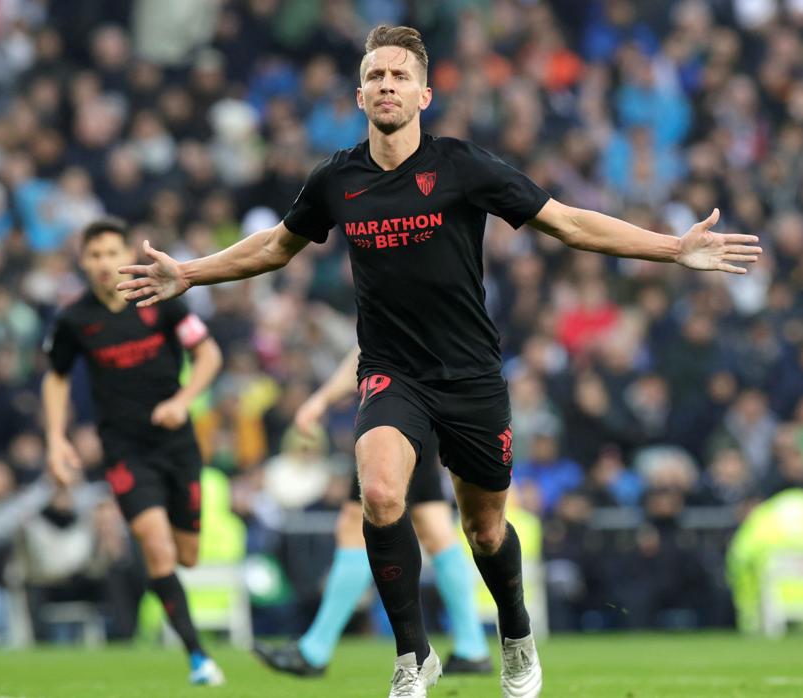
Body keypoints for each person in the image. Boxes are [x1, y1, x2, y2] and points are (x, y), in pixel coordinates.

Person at [118, 25, 759, 698]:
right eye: (376, 76)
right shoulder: (337, 179)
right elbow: (275, 247)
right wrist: (189, 273)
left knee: (484, 530)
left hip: (471, 377)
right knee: (382, 491)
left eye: (399, 77)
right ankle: (412, 656)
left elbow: (568, 222)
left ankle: (515, 634)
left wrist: (672, 249)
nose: (387, 85)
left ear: (424, 94)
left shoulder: (461, 167)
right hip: (392, 373)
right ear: (358, 93)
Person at [42, 219, 226, 685]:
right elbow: (57, 376)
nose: (104, 263)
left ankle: (193, 646)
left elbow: (209, 355)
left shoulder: (158, 297)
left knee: (187, 556)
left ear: (127, 252)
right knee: (156, 545)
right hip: (124, 449)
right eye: (95, 255)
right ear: (83, 262)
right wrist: (55, 438)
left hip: (177, 445)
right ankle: (199, 658)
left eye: (111, 253)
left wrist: (182, 402)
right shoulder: (75, 319)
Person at [253, 346, 492, 677]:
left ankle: (315, 650)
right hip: (417, 410)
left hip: (393, 416)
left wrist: (321, 399)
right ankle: (472, 647)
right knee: (433, 525)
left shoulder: (391, 296)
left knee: (359, 524)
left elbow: (367, 349)